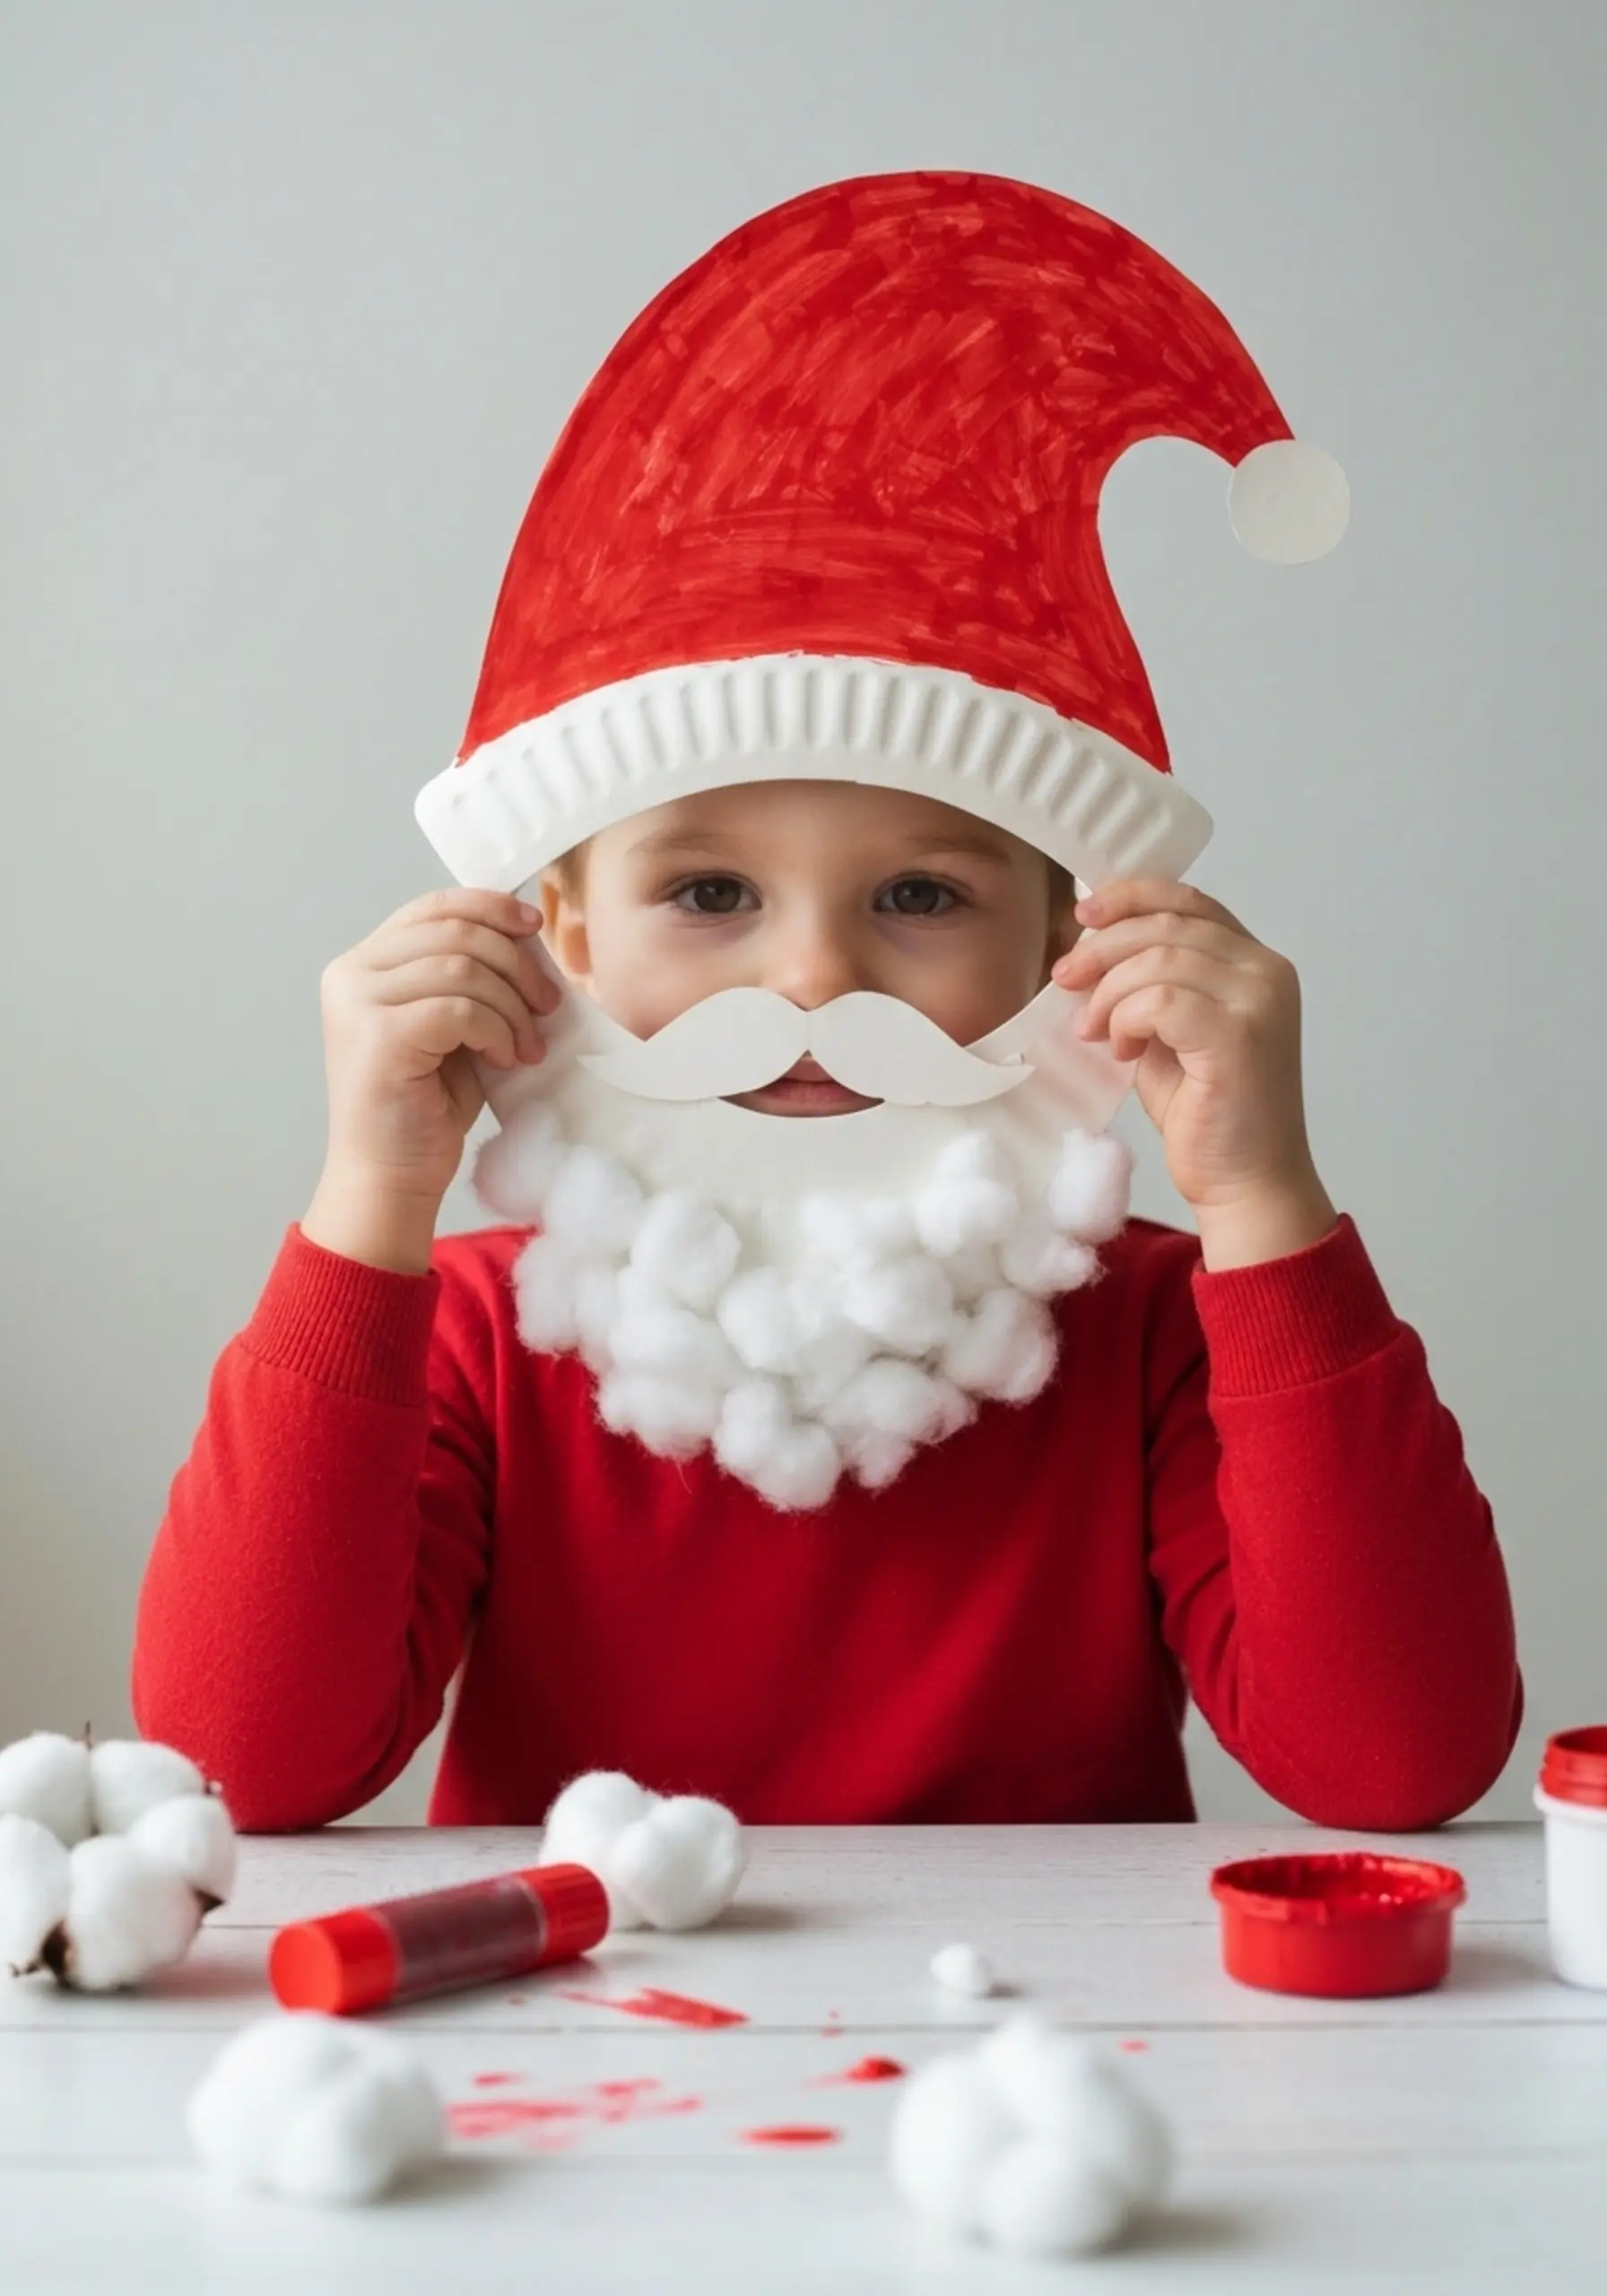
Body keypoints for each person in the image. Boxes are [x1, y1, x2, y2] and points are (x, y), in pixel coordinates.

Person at [131, 769, 1522, 1833]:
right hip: (576, 2066)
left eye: (919, 895)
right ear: (563, 939)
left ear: (1058, 948)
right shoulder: (487, 1325)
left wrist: (1261, 1194)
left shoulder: (1149, 1320)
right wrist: (371, 1197)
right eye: (709, 892)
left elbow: (1396, 1761)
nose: (812, 980)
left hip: (1053, 2054)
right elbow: (240, 1762)